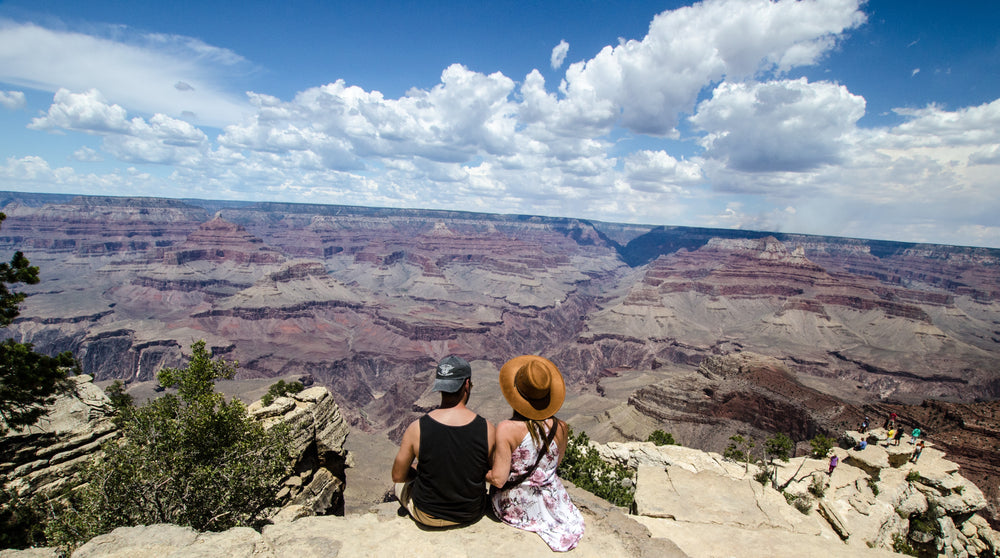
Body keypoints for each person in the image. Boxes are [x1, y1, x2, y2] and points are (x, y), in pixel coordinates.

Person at [487, 355, 584, 552]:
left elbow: (498, 480)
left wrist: (478, 471)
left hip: (517, 506)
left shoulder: (506, 428)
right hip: (553, 503)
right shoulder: (561, 427)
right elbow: (554, 467)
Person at [391, 356, 496, 527]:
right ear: (467, 384)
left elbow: (397, 476)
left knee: (399, 487)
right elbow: (492, 470)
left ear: (439, 386)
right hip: (469, 513)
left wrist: (419, 473)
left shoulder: (416, 428)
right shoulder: (488, 428)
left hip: (425, 515)